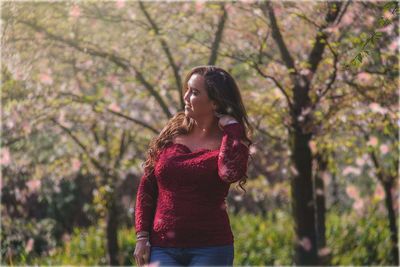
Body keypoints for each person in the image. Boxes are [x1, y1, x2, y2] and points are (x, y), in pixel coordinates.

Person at [133, 65, 253, 267]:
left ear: (215, 103)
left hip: (211, 248)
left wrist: (233, 128)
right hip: (162, 247)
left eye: (195, 92)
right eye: (187, 89)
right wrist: (142, 236)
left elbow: (229, 173)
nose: (186, 97)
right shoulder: (172, 133)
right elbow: (147, 186)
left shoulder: (229, 140)